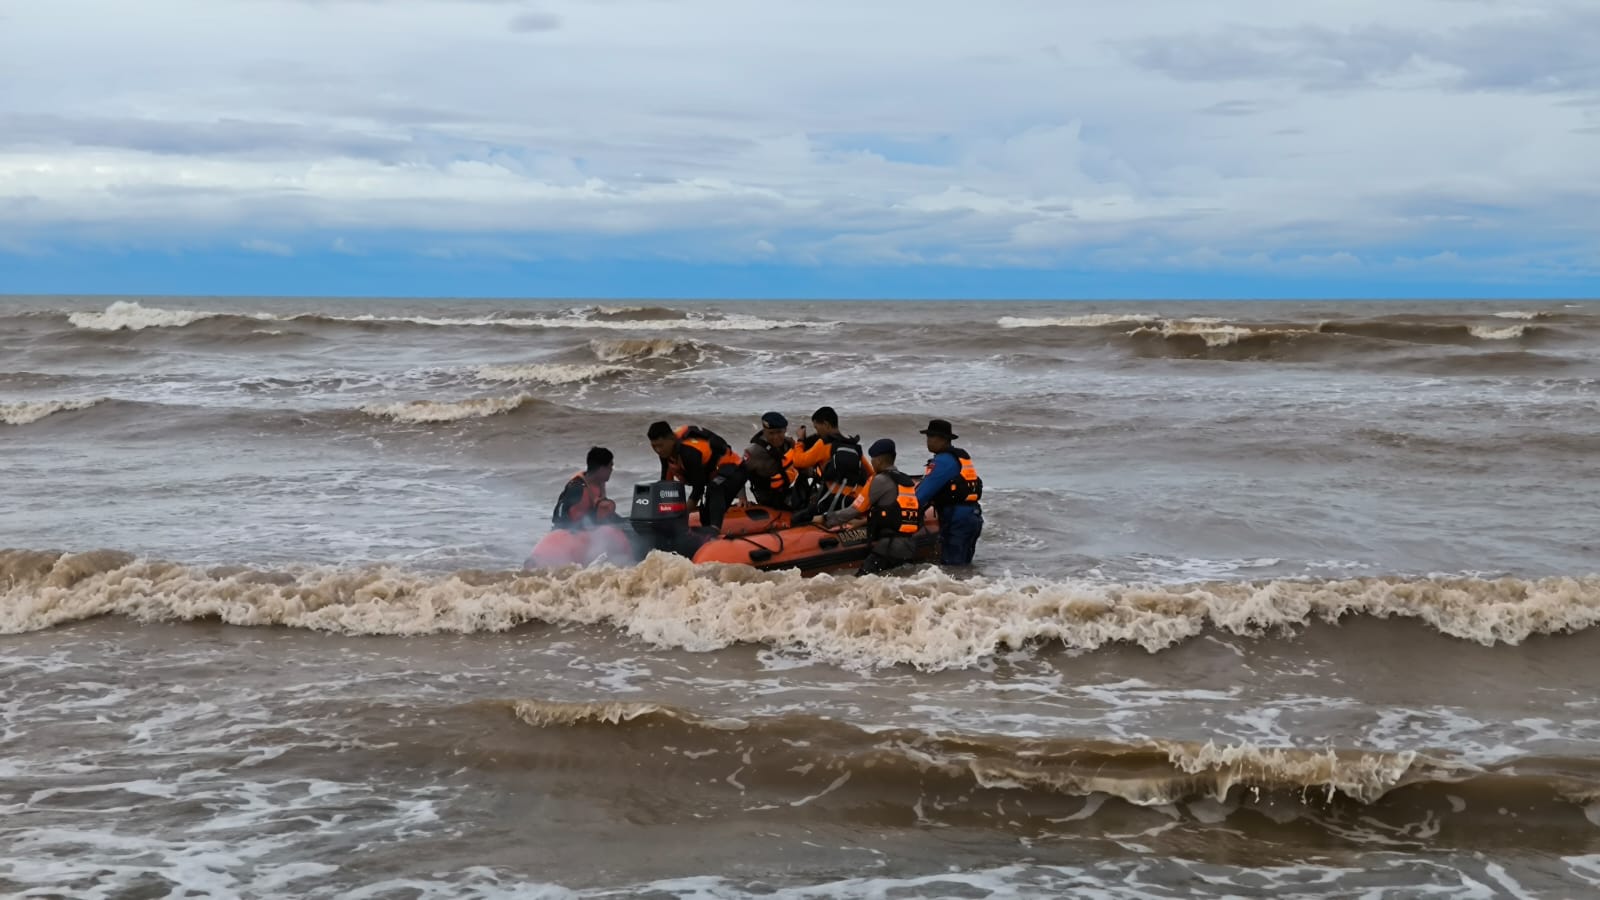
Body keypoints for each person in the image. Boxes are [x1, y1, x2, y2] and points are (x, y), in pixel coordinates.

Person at [824, 438, 922, 576]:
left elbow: (855, 509)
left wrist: (826, 520)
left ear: (880, 460)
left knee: (861, 582)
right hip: (908, 545)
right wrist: (864, 522)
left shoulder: (880, 480)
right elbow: (895, 512)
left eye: (873, 459)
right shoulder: (905, 481)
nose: (871, 462)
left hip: (888, 547)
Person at [647, 420, 746, 533]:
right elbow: (666, 484)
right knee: (705, 517)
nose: (658, 450)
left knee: (714, 488)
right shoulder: (665, 453)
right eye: (654, 446)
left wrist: (682, 515)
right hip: (712, 474)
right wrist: (663, 517)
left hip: (736, 470)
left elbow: (698, 488)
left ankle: (714, 531)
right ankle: (706, 529)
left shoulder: (689, 452)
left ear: (671, 439)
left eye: (660, 445)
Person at [786, 406, 872, 523]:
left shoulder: (824, 444)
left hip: (833, 501)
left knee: (797, 519)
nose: (817, 432)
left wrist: (800, 440)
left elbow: (799, 461)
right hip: (856, 502)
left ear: (826, 424)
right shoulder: (853, 446)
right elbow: (872, 474)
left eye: (817, 428)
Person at [915, 418, 983, 566]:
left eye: (931, 436)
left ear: (943, 439)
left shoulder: (943, 461)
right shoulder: (959, 457)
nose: (928, 440)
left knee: (952, 567)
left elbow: (922, 495)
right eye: (927, 436)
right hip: (972, 515)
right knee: (964, 565)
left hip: (956, 518)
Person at [742, 411, 807, 511]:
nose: (775, 437)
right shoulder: (754, 451)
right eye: (771, 433)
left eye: (779, 432)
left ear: (785, 430)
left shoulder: (788, 443)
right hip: (768, 498)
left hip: (786, 491)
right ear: (764, 431)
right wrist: (743, 498)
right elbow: (738, 474)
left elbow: (802, 461)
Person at [550, 446, 619, 529]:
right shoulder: (576, 487)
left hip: (590, 529)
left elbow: (602, 512)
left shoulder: (599, 485)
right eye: (610, 466)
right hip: (572, 533)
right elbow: (558, 516)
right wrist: (570, 532)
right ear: (602, 469)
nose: (612, 470)